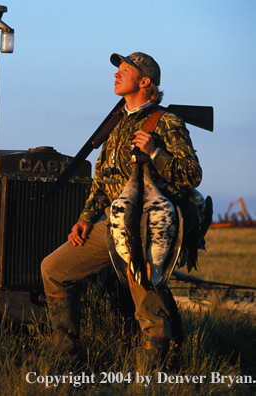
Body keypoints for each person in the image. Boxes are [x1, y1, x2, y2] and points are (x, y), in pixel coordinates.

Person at [40, 52, 202, 370]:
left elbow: (192, 175)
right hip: (113, 223)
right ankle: (67, 359)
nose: (116, 75)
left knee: (148, 307)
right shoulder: (117, 125)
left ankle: (153, 374)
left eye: (125, 70)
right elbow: (102, 180)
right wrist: (86, 219)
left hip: (146, 225)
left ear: (145, 82)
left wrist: (155, 152)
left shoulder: (166, 122)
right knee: (53, 269)